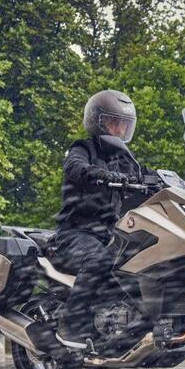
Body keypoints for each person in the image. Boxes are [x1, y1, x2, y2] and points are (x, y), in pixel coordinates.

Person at [53, 89, 146, 341]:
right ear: (99, 122)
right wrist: (100, 174)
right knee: (99, 262)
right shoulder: (83, 148)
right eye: (115, 123)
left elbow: (143, 174)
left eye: (124, 125)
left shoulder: (125, 159)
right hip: (75, 233)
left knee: (143, 263)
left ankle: (127, 326)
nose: (120, 130)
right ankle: (71, 327)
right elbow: (75, 167)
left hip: (111, 234)